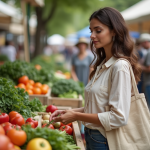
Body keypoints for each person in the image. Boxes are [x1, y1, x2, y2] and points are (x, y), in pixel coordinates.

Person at [50, 7, 141, 150]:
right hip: (92, 136)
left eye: (98, 30)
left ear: (114, 31)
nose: (92, 36)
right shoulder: (102, 65)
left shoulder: (120, 67)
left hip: (104, 141)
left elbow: (118, 117)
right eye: (91, 31)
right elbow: (97, 107)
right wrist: (71, 112)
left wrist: (76, 116)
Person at [140, 33, 150, 107]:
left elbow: (148, 69)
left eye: (142, 43)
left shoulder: (149, 53)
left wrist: (139, 66)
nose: (141, 45)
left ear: (146, 42)